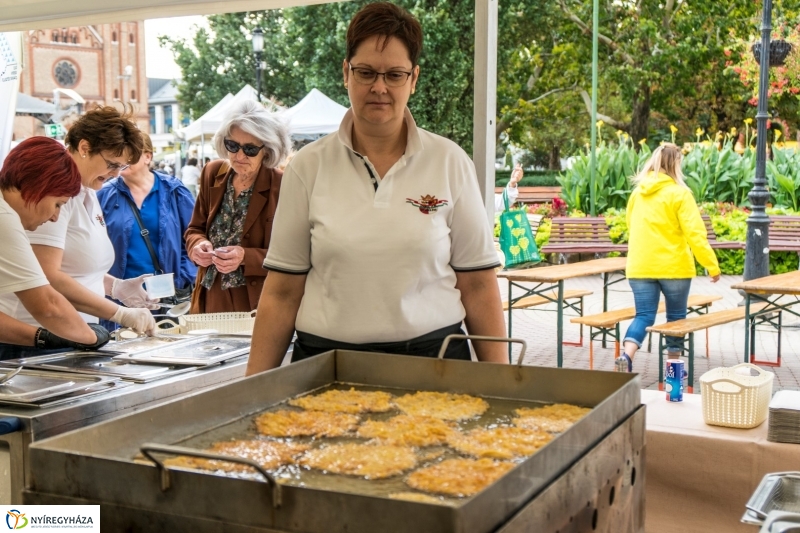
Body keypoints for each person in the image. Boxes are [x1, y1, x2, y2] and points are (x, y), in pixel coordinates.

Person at [246, 2, 507, 375]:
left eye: (394, 75)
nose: (379, 87)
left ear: (413, 79)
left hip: (435, 364)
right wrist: (252, 390)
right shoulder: (308, 166)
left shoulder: (450, 161)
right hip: (325, 367)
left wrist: (502, 384)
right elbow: (283, 291)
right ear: (346, 73)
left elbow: (479, 285)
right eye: (366, 72)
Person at [0, 107, 158, 339]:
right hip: (36, 333)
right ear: (84, 148)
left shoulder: (88, 190)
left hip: (67, 330)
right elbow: (47, 280)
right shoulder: (48, 193)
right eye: (113, 164)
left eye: (122, 167)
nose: (116, 174)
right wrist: (117, 316)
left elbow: (76, 268)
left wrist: (114, 287)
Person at [0, 137, 110, 357]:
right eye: (58, 204)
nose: (55, 217)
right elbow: (47, 306)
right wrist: (91, 338)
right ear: (38, 187)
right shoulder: (5, 218)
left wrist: (42, 337)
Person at [617, 143, 720, 372]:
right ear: (676, 165)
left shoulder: (637, 194)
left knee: (643, 315)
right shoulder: (680, 194)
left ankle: (626, 355)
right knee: (676, 319)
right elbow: (695, 234)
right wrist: (711, 266)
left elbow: (630, 225)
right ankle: (673, 370)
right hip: (674, 268)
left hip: (640, 266)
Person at [185, 99, 290, 314]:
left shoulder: (283, 185)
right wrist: (198, 245)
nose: (239, 156)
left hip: (255, 300)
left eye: (250, 149)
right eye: (232, 146)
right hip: (209, 294)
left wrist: (245, 257)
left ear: (268, 150)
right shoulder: (212, 173)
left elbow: (294, 255)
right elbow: (194, 229)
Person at [97, 133, 197, 325]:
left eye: (130, 154)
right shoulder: (104, 195)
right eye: (119, 154)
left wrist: (182, 277)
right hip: (120, 298)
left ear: (148, 157)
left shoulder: (174, 191)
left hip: (167, 300)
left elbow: (194, 236)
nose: (123, 160)